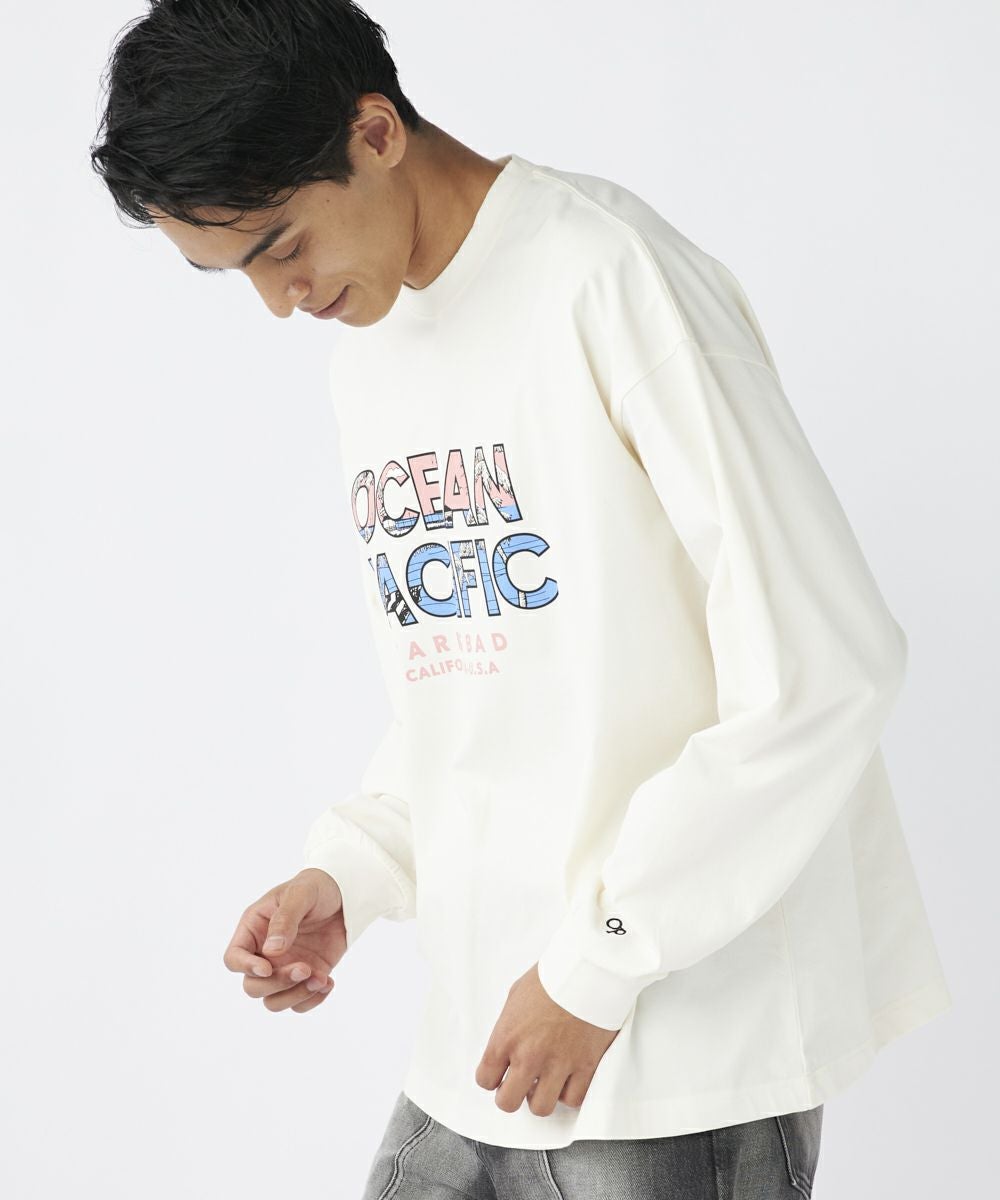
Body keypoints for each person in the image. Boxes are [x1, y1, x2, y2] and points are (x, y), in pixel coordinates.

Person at [90, 2, 952, 1196]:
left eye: (280, 246)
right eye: (234, 272)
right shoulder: (372, 355)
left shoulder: (610, 279)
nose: (279, 300)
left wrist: (597, 968)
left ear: (376, 133)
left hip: (674, 1054)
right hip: (481, 1038)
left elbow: (827, 663)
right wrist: (350, 874)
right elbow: (473, 682)